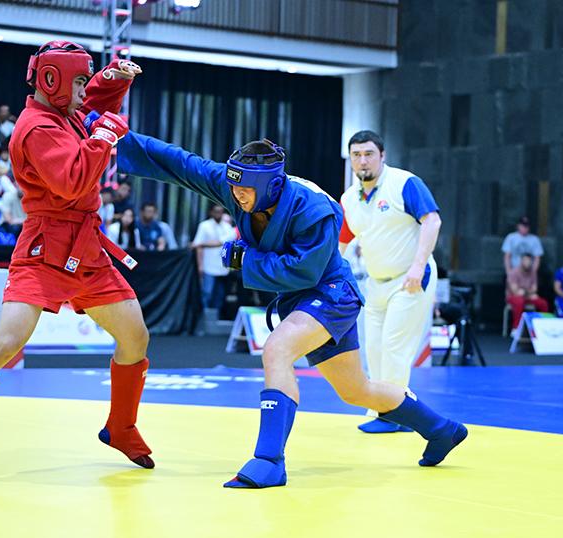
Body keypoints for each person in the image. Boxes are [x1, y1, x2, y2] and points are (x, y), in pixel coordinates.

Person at [114, 131, 467, 488]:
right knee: (357, 390)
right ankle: (442, 429)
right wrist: (119, 138)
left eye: (245, 190)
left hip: (332, 294)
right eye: (233, 188)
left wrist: (247, 259)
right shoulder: (236, 184)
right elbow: (184, 165)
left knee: (277, 349)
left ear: (270, 186)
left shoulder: (315, 208)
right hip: (302, 299)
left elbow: (305, 271)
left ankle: (269, 461)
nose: (236, 195)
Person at [0, 42, 156, 471]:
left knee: (135, 336)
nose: (82, 90)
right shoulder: (35, 127)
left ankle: (121, 427)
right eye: (78, 81)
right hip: (45, 247)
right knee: (7, 342)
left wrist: (111, 80)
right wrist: (103, 137)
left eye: (84, 81)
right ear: (52, 81)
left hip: (85, 247)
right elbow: (72, 182)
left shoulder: (63, 111)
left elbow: (89, 106)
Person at [339, 130, 441, 434]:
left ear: (382, 156)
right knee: (374, 350)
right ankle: (389, 411)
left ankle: (393, 415)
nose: (363, 161)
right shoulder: (349, 198)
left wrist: (418, 266)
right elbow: (341, 243)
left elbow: (432, 220)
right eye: (356, 155)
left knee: (394, 347)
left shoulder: (404, 183)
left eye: (369, 154)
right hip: (376, 282)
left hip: (411, 279)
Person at [192, 203, 236, 310]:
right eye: (216, 211)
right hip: (208, 266)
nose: (218, 214)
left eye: (220, 212)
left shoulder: (228, 227)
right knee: (207, 292)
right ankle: (204, 314)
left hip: (223, 268)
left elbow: (221, 242)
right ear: (211, 212)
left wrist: (200, 244)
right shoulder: (204, 226)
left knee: (220, 295)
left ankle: (215, 316)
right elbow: (198, 248)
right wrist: (200, 265)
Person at [506, 252, 549, 328]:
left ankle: (542, 327)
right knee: (519, 301)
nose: (527, 263)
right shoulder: (514, 272)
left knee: (543, 303)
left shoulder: (533, 272)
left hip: (528, 296)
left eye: (529, 261)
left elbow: (534, 289)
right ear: (521, 261)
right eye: (525, 260)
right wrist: (528, 293)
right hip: (513, 297)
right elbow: (515, 291)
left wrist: (526, 293)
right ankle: (516, 328)